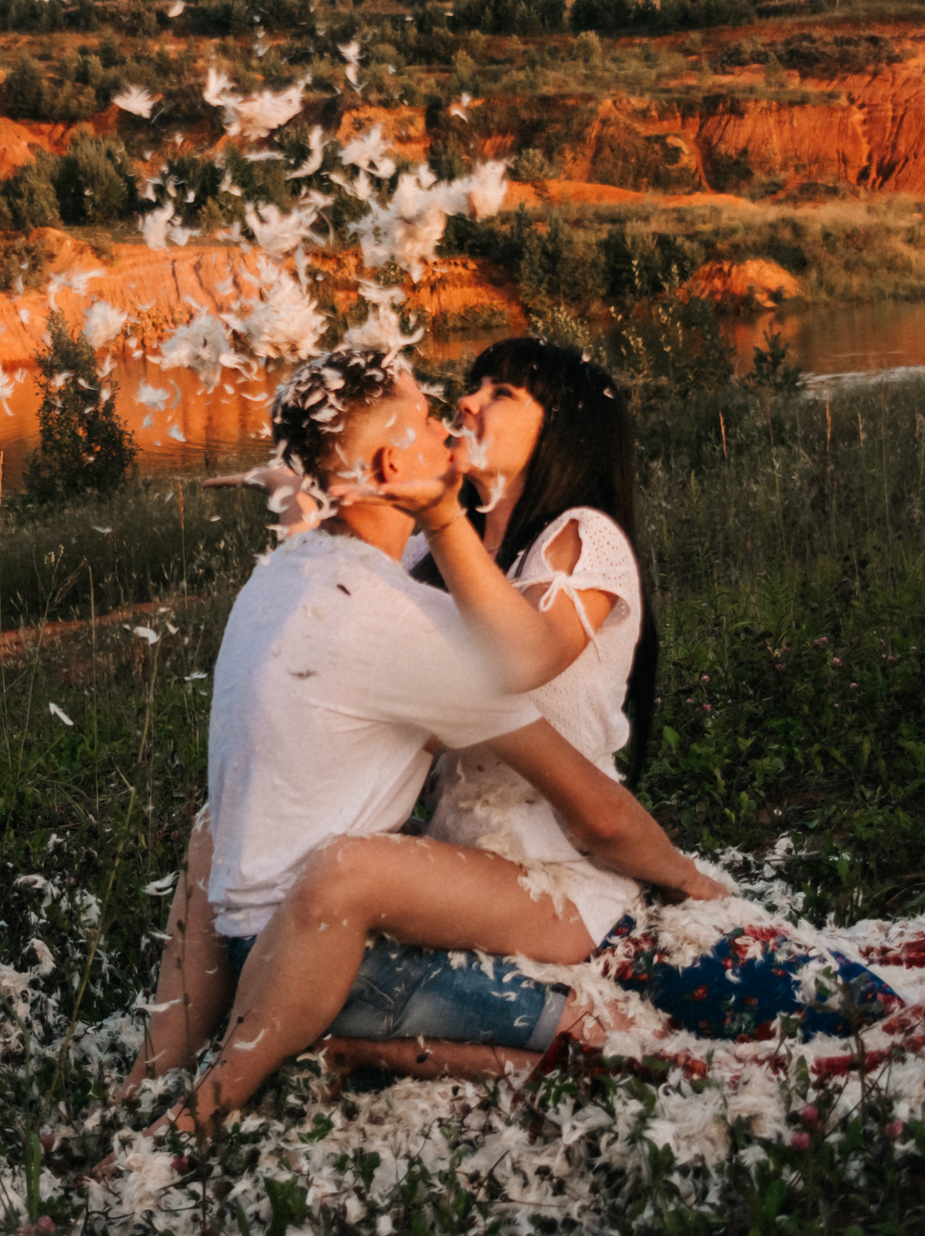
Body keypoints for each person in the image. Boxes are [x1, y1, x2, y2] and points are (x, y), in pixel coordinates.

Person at [123, 343, 727, 1127]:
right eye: (434, 410)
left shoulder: (294, 572)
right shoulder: (417, 609)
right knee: (599, 1026)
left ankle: (154, 1077)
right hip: (343, 935)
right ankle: (209, 1101)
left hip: (272, 936)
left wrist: (308, 489)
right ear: (391, 465)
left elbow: (376, 559)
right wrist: (696, 884)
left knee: (233, 831)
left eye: (494, 392)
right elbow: (582, 786)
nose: (456, 411)